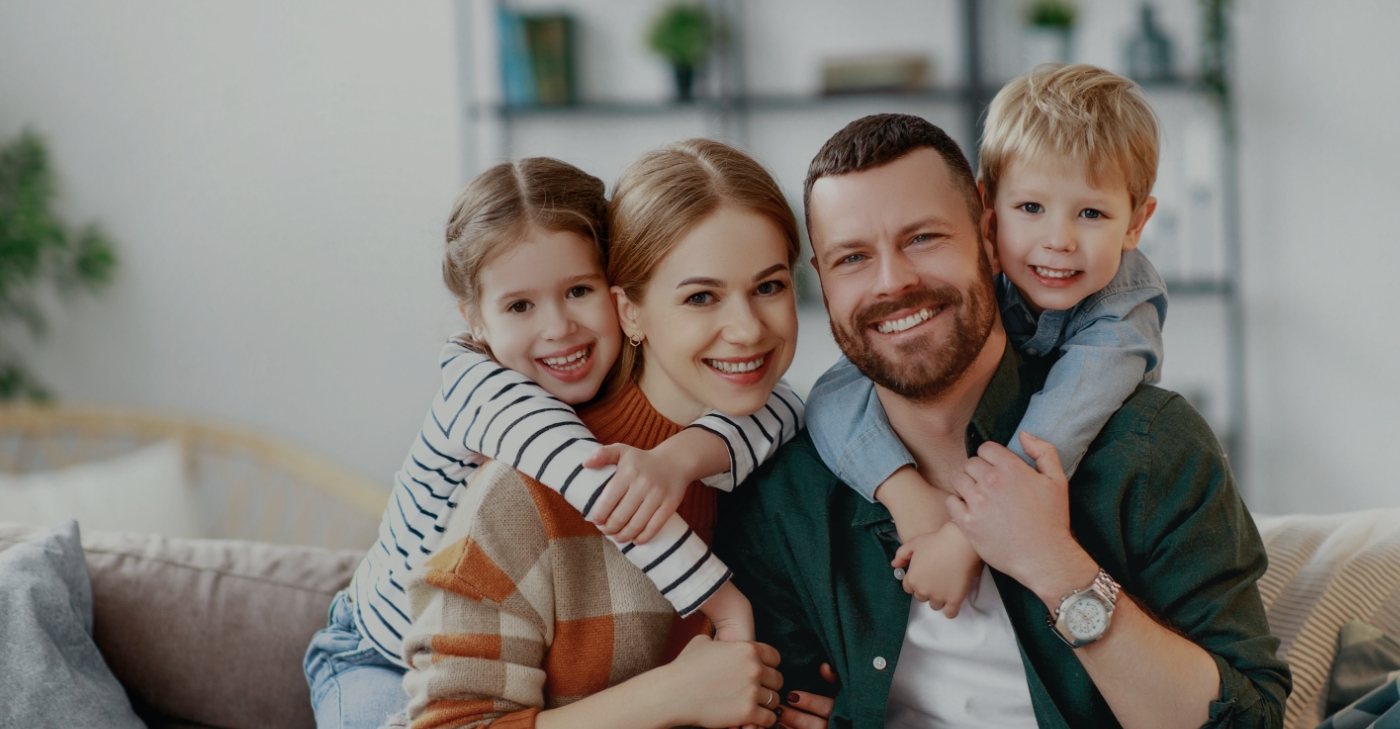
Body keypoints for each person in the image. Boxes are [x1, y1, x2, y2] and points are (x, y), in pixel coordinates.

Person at [715, 112, 1291, 728]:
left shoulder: (1149, 448)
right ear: (823, 286)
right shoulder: (787, 500)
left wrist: (1055, 566)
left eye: (923, 238)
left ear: (990, 236)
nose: (894, 282)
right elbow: (786, 705)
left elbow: (1248, 720)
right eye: (852, 257)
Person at [303, 155, 803, 729]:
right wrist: (726, 608)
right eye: (520, 305)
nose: (559, 327)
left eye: (578, 291)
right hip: (375, 647)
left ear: (611, 290)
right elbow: (605, 487)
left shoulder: (700, 418)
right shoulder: (487, 391)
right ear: (476, 322)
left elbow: (783, 406)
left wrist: (682, 457)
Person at [803, 64, 1170, 620]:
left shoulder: (1123, 313)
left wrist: (965, 537)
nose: (1057, 241)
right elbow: (834, 391)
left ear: (1136, 223)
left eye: (1091, 213)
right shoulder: (980, 276)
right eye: (1031, 209)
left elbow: (1060, 426)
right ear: (989, 216)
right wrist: (906, 496)